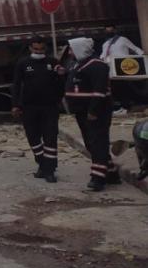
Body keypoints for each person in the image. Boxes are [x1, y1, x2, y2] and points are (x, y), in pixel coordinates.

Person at [64, 37, 121, 191]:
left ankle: (98, 178)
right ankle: (112, 174)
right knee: (91, 142)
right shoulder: (78, 64)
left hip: (96, 112)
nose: (69, 53)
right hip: (81, 111)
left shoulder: (98, 66)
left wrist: (93, 111)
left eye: (71, 49)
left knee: (98, 143)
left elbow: (99, 91)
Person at [10, 37, 66, 182]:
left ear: (45, 49)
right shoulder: (23, 63)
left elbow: (61, 84)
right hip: (29, 107)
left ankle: (50, 170)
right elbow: (16, 85)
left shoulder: (53, 63)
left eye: (41, 49)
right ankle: (42, 164)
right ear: (30, 48)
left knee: (50, 138)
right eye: (36, 49)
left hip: (49, 107)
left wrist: (58, 98)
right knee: (33, 138)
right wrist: (16, 105)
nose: (38, 52)